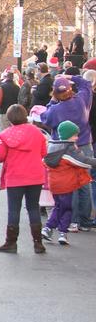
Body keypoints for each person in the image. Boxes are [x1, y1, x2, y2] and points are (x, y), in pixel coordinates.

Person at [40, 73, 94, 232]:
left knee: (71, 184)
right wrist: (72, 76)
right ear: (71, 89)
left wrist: (51, 102)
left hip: (65, 148)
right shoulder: (82, 100)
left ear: (55, 93)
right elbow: (86, 84)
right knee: (85, 181)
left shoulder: (56, 109)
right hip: (85, 144)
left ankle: (73, 220)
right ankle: (85, 220)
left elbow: (45, 118)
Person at [0, 104, 49, 253]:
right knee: (33, 207)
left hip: (15, 176)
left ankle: (11, 242)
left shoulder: (6, 135)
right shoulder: (37, 133)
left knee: (14, 209)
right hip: (35, 176)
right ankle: (38, 243)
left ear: (10, 118)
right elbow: (44, 152)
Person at [41, 120, 96, 246]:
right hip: (66, 185)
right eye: (75, 135)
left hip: (54, 184)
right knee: (66, 208)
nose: (77, 137)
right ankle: (56, 230)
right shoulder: (69, 149)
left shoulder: (52, 146)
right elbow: (83, 162)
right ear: (69, 135)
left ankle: (54, 230)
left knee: (59, 206)